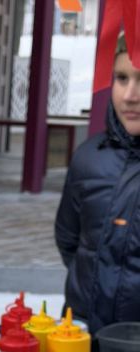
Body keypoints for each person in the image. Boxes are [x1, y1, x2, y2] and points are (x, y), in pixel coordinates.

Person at [55, 34, 140, 335]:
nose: (130, 95)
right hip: (85, 339)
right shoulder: (89, 157)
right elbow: (69, 241)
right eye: (121, 78)